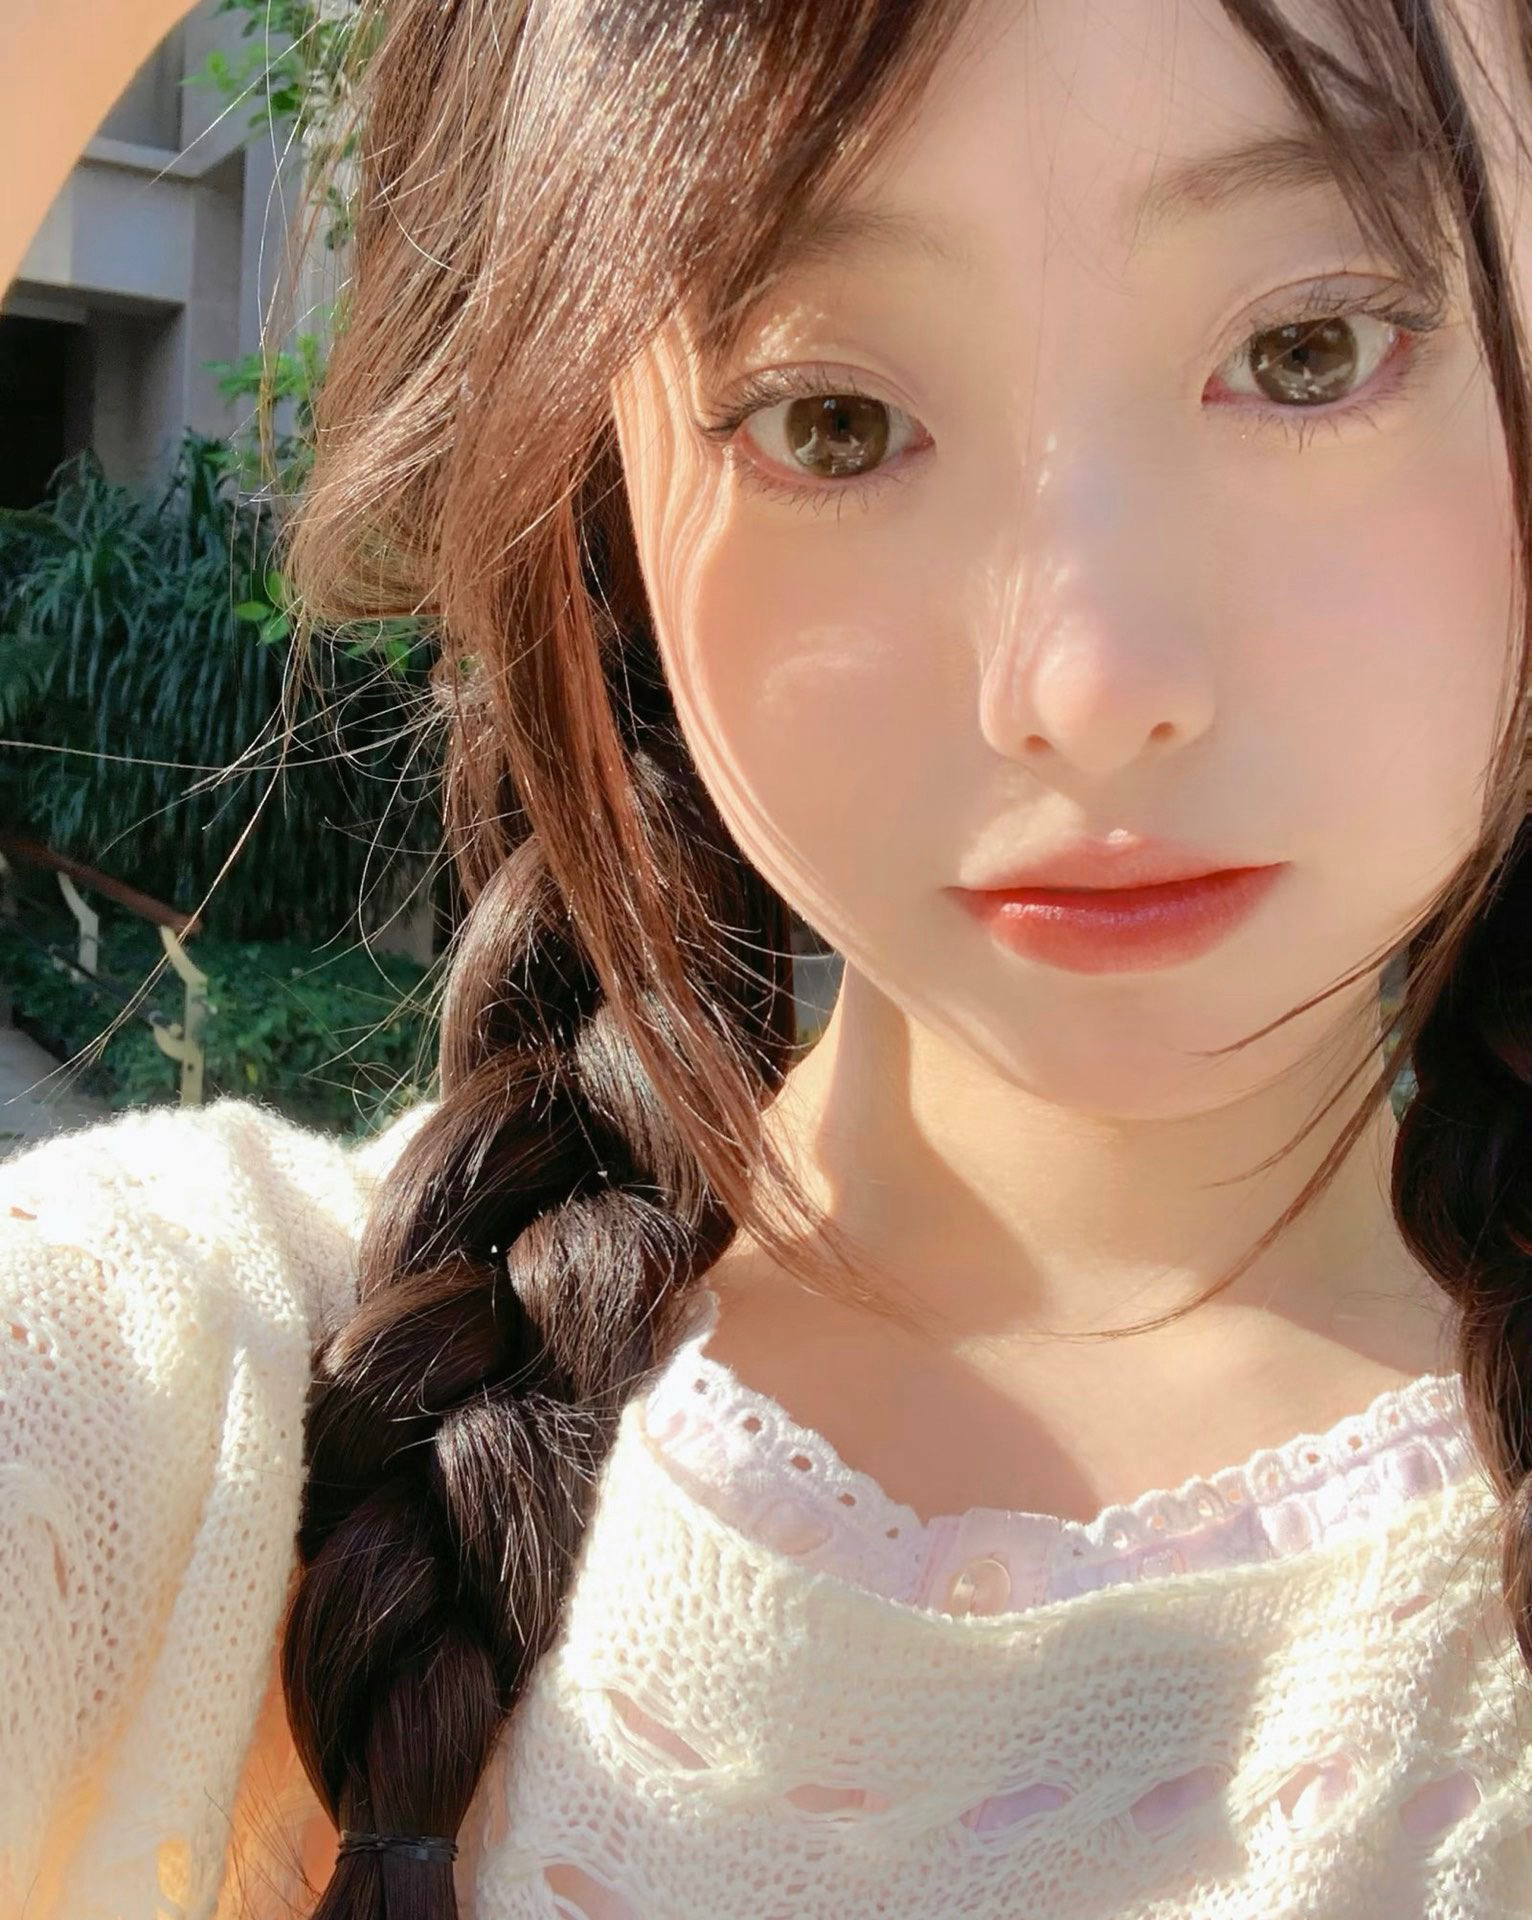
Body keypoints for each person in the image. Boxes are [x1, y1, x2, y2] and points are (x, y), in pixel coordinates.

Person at [3, 0, 1531, 1914]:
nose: (1089, 686)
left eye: (1309, 351)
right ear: (608, 503)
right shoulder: (226, 1398)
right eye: (835, 422)